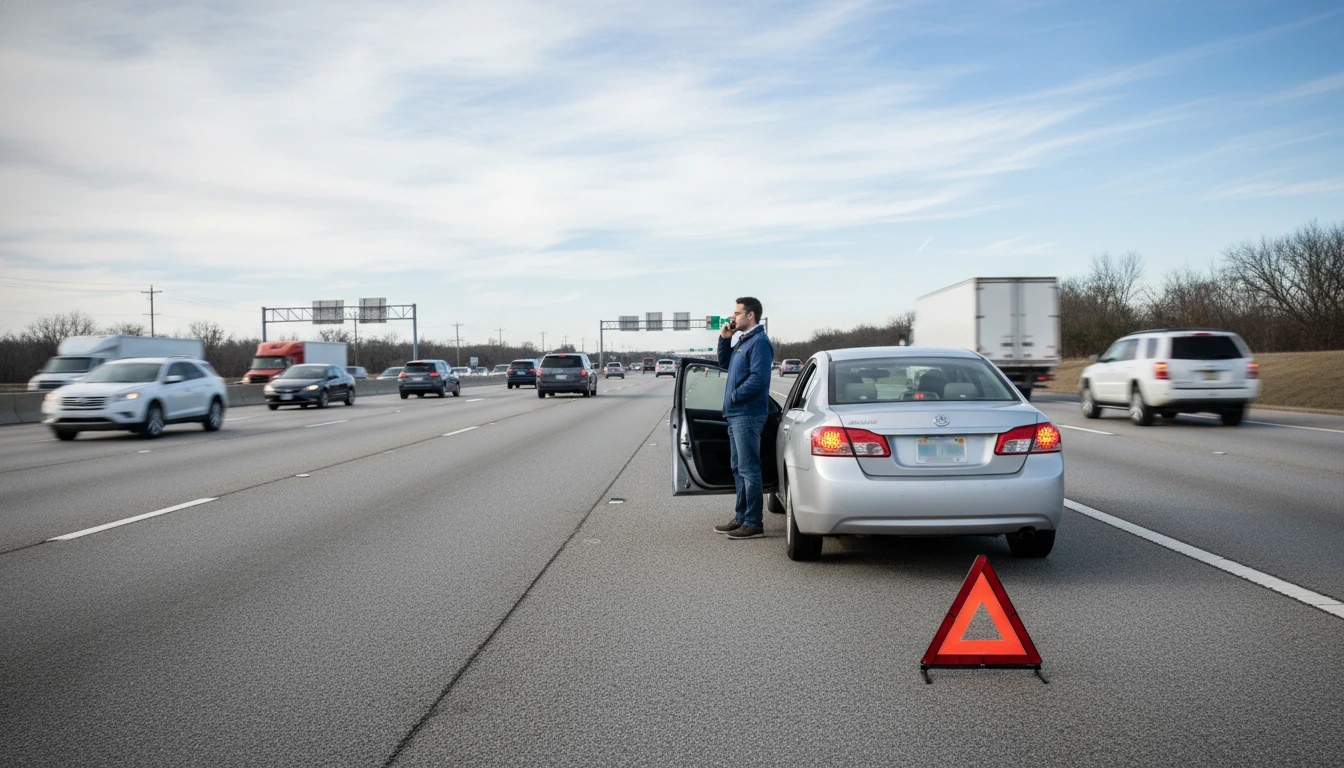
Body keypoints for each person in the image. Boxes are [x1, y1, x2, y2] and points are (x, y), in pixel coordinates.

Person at [713, 297, 774, 540]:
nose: (733, 317)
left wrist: (736, 396)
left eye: (737, 313)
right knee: (738, 468)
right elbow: (724, 363)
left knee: (749, 470)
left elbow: (759, 378)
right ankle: (741, 517)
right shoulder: (743, 341)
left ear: (750, 315)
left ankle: (753, 523)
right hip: (736, 413)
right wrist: (724, 339)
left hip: (748, 413)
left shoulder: (759, 342)